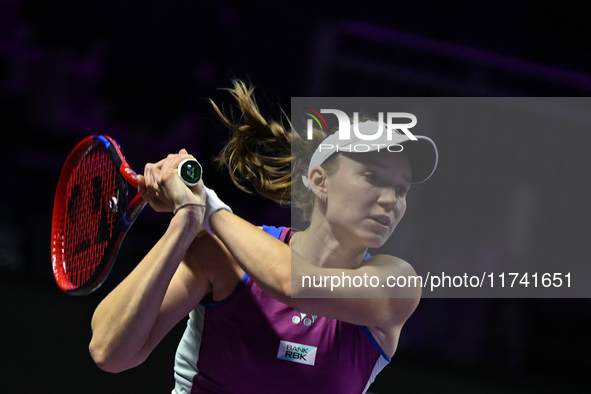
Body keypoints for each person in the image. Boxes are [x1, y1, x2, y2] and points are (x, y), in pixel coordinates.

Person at [88, 81, 438, 393]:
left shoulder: (396, 283)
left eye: (401, 189)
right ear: (320, 181)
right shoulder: (223, 254)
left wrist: (206, 203)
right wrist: (186, 219)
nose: (391, 200)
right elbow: (110, 352)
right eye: (373, 177)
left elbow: (290, 283)